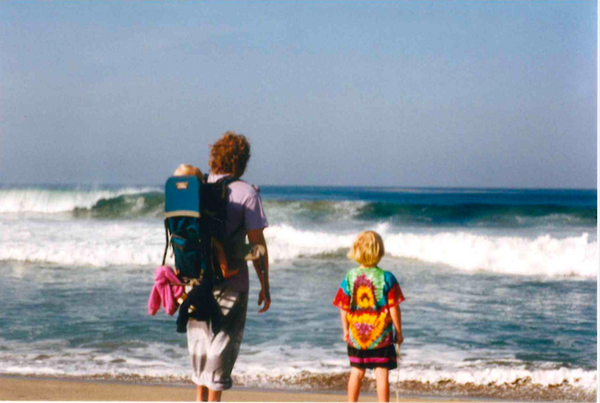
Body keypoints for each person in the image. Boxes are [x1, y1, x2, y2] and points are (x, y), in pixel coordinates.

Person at [186, 132, 270, 402]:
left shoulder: (197, 186)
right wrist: (265, 285)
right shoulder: (247, 192)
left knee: (200, 346)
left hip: (196, 278)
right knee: (221, 347)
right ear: (242, 161)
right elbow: (258, 247)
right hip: (232, 281)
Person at [333, 231, 404, 402]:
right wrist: (399, 332)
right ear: (379, 251)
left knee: (357, 372)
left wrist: (345, 330)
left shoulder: (350, 277)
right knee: (381, 372)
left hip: (357, 336)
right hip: (381, 337)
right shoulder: (387, 277)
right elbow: (394, 308)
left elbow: (343, 307)